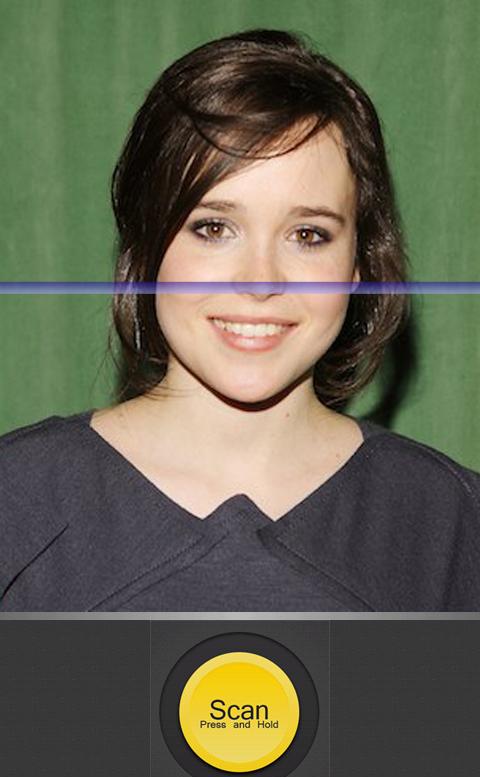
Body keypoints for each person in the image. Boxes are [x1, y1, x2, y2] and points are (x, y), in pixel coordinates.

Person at [1, 28, 479, 612]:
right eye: (214, 228)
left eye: (308, 235)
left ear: (358, 266)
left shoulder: (452, 524)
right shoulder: (16, 501)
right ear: (147, 248)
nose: (260, 279)